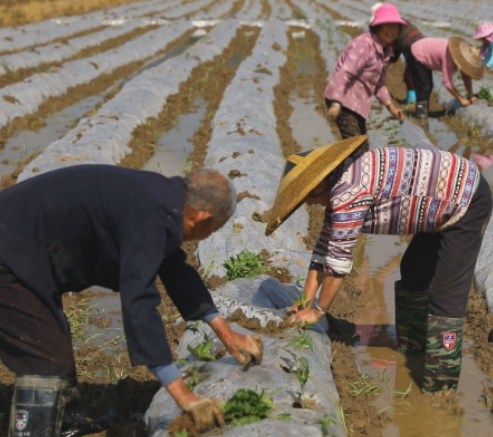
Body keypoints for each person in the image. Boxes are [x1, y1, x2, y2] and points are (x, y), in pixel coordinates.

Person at [0, 165, 263, 436]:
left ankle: (66, 421)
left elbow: (174, 269)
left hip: (21, 245)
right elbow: (139, 303)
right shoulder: (149, 216)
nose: (209, 236)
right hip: (8, 253)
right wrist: (183, 395)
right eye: (214, 228)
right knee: (45, 361)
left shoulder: (163, 199)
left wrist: (227, 332)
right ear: (201, 217)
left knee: (51, 335)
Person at [265, 136, 492, 393]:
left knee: (446, 293)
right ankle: (413, 346)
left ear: (320, 183)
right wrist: (304, 303)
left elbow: (338, 264)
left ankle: (442, 385)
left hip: (466, 199)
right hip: (439, 201)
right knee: (413, 271)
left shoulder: (347, 191)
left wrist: (317, 312)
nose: (311, 203)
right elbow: (323, 250)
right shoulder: (337, 184)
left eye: (309, 197)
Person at [325, 3, 404, 152]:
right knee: (355, 147)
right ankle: (344, 173)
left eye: (395, 26)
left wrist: (391, 106)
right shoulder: (363, 46)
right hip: (343, 100)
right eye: (387, 25)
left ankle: (349, 172)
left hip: (358, 103)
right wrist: (336, 102)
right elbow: (344, 73)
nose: (391, 30)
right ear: (377, 26)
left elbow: (379, 84)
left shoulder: (386, 51)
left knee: (362, 148)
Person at [407, 36, 485, 118]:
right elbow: (447, 82)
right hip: (417, 53)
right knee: (425, 86)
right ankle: (421, 114)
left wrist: (470, 95)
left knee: (428, 85)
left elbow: (466, 77)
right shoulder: (449, 57)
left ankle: (423, 112)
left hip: (425, 51)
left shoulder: (460, 56)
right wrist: (461, 99)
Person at [390, 18, 426, 104]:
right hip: (423, 45)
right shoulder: (403, 23)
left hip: (414, 49)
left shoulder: (392, 28)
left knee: (410, 77)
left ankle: (412, 102)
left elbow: (394, 52)